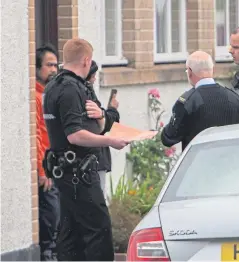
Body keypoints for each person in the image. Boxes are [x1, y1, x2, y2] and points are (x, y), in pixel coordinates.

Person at [42, 38, 129, 261]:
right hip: (79, 175)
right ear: (86, 60)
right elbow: (75, 135)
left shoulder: (54, 86)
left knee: (70, 233)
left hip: (66, 174)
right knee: (98, 230)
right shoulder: (71, 89)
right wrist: (111, 141)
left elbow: (87, 127)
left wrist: (101, 115)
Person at [161, 50, 239, 150]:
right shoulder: (236, 99)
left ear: (189, 72)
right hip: (230, 162)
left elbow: (168, 138)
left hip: (200, 163)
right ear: (212, 70)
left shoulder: (188, 102)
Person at [36, 43, 60, 261]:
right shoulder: (35, 97)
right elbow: (36, 135)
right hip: (44, 165)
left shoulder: (50, 95)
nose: (53, 69)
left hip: (54, 162)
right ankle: (48, 253)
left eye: (56, 65)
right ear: (37, 68)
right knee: (50, 210)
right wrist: (43, 170)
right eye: (48, 65)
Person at [84, 60, 120, 199]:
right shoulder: (86, 93)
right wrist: (111, 110)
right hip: (95, 158)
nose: (94, 79)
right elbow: (104, 124)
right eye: (93, 76)